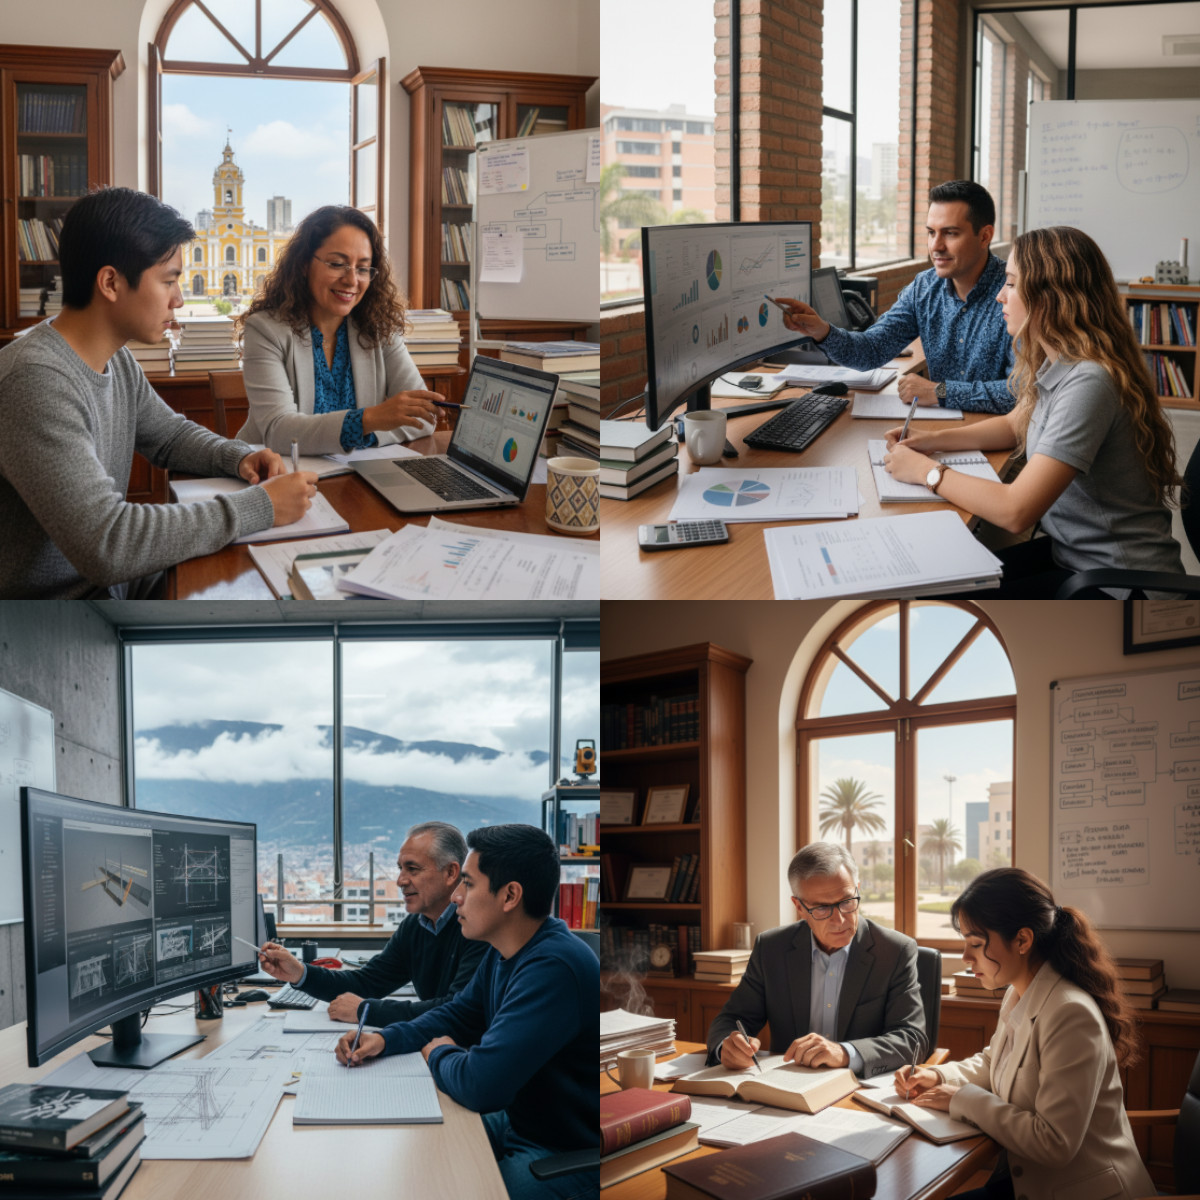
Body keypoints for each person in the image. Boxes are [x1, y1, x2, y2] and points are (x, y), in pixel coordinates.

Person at [0, 187, 316, 599]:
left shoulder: (114, 358)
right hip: (48, 618)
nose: (179, 300)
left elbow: (169, 436)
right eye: (169, 281)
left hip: (105, 591)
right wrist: (261, 507)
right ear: (110, 282)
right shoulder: (35, 380)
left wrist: (241, 457)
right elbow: (108, 544)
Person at [881, 224, 1184, 598]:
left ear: (1051, 296)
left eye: (1010, 283)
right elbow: (1015, 424)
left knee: (943, 600)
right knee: (939, 584)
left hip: (1122, 585)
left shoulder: (1089, 382)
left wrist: (925, 473)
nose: (999, 297)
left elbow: (1015, 512)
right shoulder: (1059, 359)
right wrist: (930, 442)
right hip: (1076, 557)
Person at [335, 824, 598, 1200]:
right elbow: (457, 1014)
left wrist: (438, 1052)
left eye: (469, 885)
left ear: (509, 896)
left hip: (563, 1148)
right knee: (423, 1155)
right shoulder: (504, 951)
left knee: (462, 1189)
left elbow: (481, 1086)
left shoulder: (553, 967)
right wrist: (384, 1038)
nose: (456, 896)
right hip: (523, 1121)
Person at [895, 868, 1154, 1200]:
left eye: (975, 943)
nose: (965, 956)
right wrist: (936, 1075)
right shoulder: (1020, 991)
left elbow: (1054, 1142)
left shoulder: (1070, 1013)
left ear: (1022, 940)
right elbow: (993, 1062)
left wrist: (961, 1099)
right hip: (1028, 1182)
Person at [779, 180, 1015, 413]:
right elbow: (871, 351)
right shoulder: (924, 288)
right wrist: (822, 332)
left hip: (1001, 439)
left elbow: (1021, 393)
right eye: (931, 232)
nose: (936, 246)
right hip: (942, 433)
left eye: (950, 233)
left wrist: (939, 392)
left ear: (985, 236)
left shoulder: (1017, 292)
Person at [707, 842, 925, 1078]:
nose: (839, 920)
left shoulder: (894, 951)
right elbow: (731, 1019)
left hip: (857, 1088)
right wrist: (726, 1048)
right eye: (822, 908)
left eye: (847, 902)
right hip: (787, 1087)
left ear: (858, 889)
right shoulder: (771, 948)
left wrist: (844, 1052)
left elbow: (912, 1038)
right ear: (799, 906)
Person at [236, 204, 441, 455]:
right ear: (303, 264)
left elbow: (423, 418)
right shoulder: (266, 330)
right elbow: (279, 432)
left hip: (353, 478)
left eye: (363, 268)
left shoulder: (379, 327)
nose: (352, 280)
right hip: (276, 475)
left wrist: (363, 432)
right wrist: (369, 420)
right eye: (337, 264)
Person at [257, 821, 486, 1024]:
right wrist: (299, 973)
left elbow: (458, 1011)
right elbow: (366, 983)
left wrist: (365, 1011)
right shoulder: (416, 926)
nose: (400, 881)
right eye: (400, 869)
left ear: (451, 873)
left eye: (413, 869)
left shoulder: (479, 928)